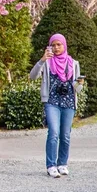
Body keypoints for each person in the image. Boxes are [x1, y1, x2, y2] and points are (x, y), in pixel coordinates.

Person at [29, 33, 83, 178]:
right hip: (52, 102)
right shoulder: (47, 63)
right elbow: (32, 76)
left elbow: (78, 89)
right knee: (53, 133)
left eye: (59, 45)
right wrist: (41, 60)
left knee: (65, 135)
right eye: (53, 45)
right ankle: (51, 165)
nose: (56, 47)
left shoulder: (73, 63)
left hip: (69, 102)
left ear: (64, 45)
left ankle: (62, 164)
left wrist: (80, 84)